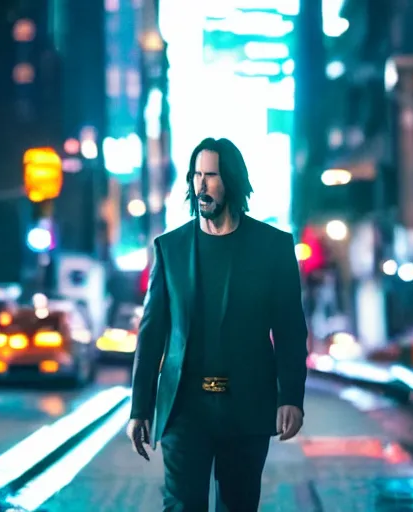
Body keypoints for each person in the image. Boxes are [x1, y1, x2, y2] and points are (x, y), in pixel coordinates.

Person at [127, 137, 308, 511]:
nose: (201, 186)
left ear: (232, 181)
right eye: (196, 176)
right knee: (181, 504)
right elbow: (152, 335)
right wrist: (139, 409)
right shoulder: (170, 248)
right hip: (184, 408)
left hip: (248, 404)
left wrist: (290, 396)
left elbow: (290, 328)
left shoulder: (273, 246)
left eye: (211, 176)